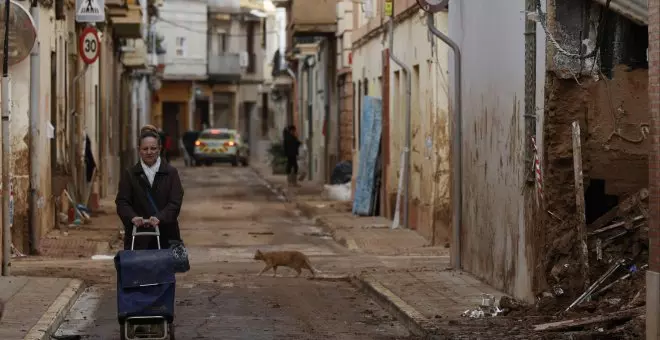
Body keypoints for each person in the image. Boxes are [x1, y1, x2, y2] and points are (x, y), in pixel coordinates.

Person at [115, 125, 184, 250]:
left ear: (159, 149)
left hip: (166, 238)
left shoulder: (171, 173)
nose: (149, 152)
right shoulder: (130, 174)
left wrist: (160, 218)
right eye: (145, 148)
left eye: (153, 148)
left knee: (164, 269)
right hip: (138, 239)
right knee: (139, 269)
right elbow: (122, 202)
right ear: (139, 150)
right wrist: (132, 217)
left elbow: (175, 202)